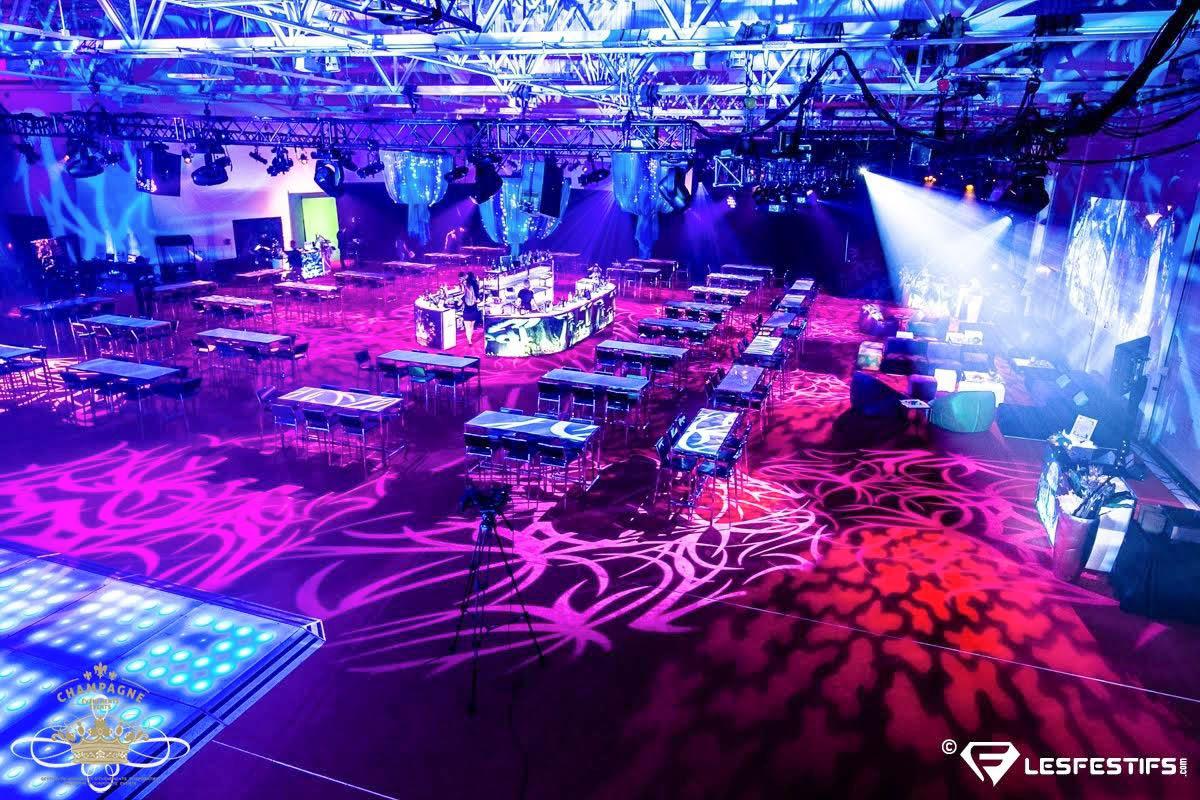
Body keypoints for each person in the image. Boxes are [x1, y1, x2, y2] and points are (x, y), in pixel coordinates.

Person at [460, 271, 481, 345]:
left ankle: (469, 340)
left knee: (468, 327)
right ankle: (470, 339)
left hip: (467, 311)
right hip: (474, 310)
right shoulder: (475, 293)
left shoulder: (464, 295)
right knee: (471, 326)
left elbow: (459, 303)